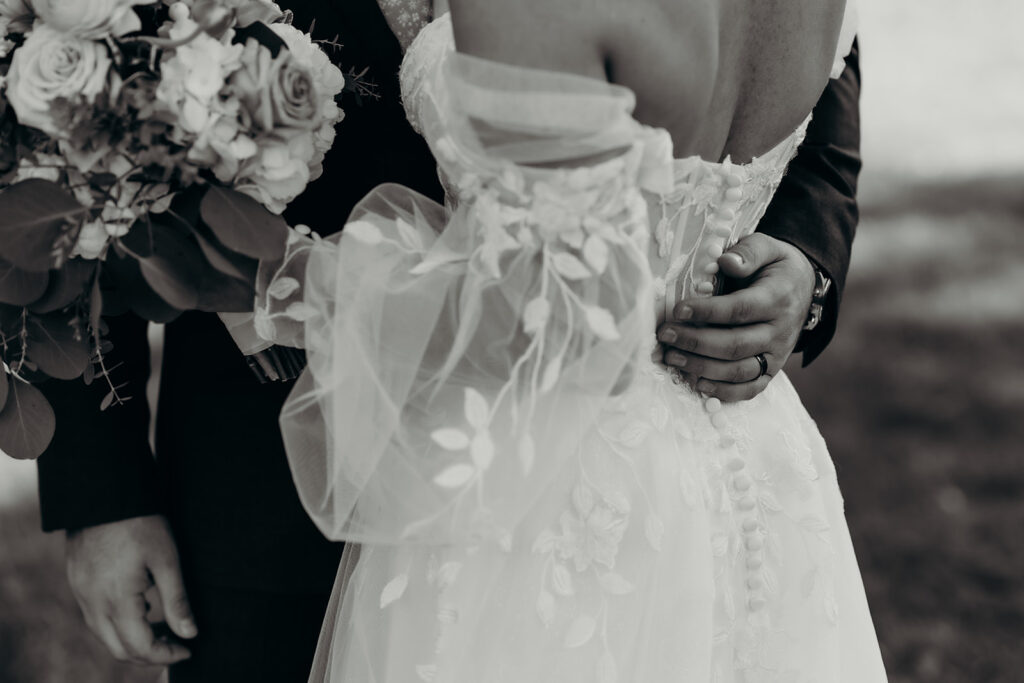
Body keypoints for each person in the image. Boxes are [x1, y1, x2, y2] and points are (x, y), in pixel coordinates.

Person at [35, 1, 864, 682]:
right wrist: (100, 488)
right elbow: (70, 125)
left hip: (502, 507)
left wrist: (271, 285)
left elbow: (559, 317)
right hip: (266, 476)